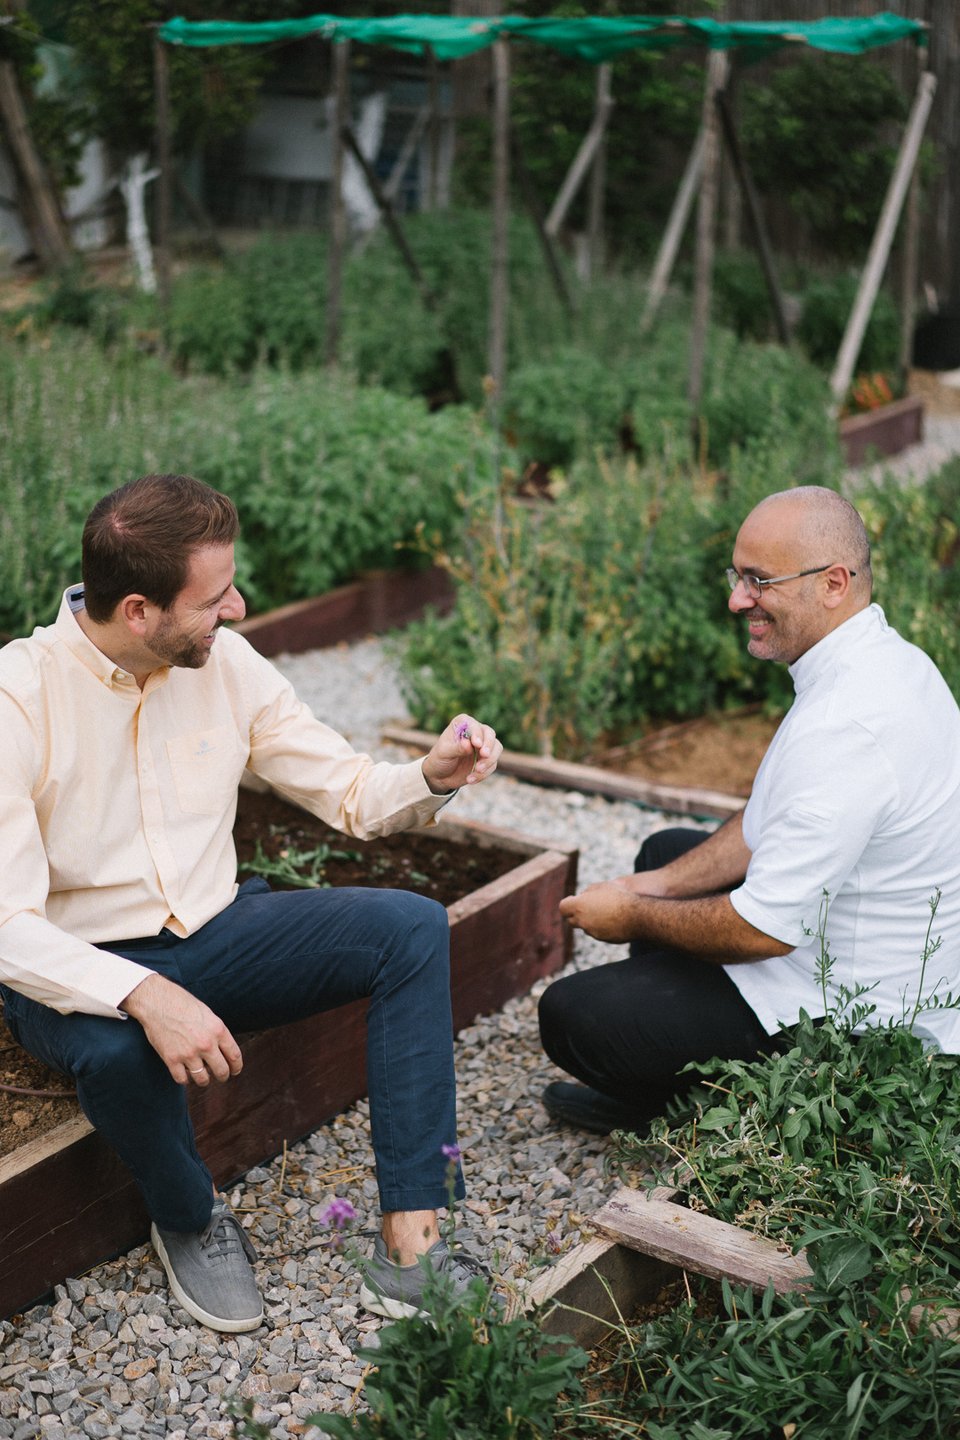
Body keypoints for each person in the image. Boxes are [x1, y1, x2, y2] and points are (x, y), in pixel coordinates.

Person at [0, 472, 504, 1333]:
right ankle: (189, 1218)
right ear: (136, 611)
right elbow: (7, 925)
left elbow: (347, 789)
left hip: (215, 930)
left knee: (410, 928)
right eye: (213, 596)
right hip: (81, 968)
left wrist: (429, 775)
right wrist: (146, 997)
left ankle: (412, 1241)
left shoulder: (222, 661)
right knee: (121, 1056)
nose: (236, 607)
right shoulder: (18, 697)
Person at [539, 485, 960, 1136]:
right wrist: (651, 885)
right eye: (738, 575)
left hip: (856, 1015)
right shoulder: (886, 661)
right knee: (663, 855)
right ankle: (671, 1054)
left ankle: (711, 1108)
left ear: (833, 584)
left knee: (573, 1014)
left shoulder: (847, 725)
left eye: (758, 581)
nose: (737, 599)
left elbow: (765, 931)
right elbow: (768, 817)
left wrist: (632, 914)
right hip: (862, 936)